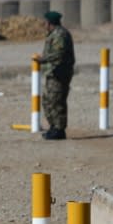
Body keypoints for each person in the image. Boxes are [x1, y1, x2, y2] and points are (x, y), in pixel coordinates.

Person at [32, 11, 75, 141]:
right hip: (53, 72)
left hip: (60, 73)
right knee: (48, 100)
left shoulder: (60, 34)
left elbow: (59, 53)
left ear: (50, 23)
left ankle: (59, 130)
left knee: (57, 101)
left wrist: (42, 59)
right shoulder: (54, 33)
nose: (44, 24)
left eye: (45, 22)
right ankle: (54, 127)